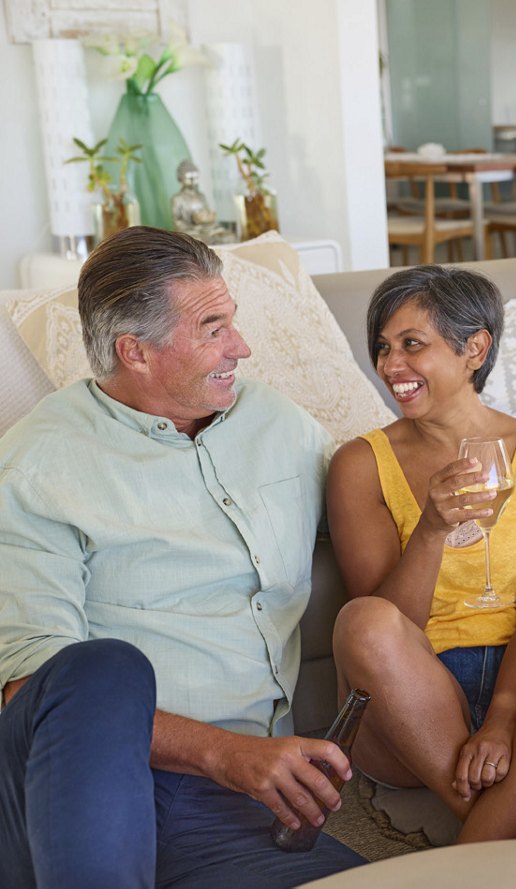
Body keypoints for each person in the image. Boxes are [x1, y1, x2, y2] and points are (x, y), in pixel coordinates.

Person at [0, 227, 364, 888]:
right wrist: (228, 753)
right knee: (102, 669)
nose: (241, 347)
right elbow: (34, 688)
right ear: (134, 351)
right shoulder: (37, 463)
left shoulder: (279, 425)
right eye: (213, 328)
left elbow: (375, 516)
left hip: (231, 807)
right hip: (84, 784)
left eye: (234, 323)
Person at [326, 265, 516, 842]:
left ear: (474, 349)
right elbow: (387, 627)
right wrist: (430, 531)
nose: (391, 367)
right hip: (412, 704)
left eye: (412, 344)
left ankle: (481, 842)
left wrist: (502, 718)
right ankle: (500, 830)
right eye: (382, 347)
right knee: (362, 621)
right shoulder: (359, 463)